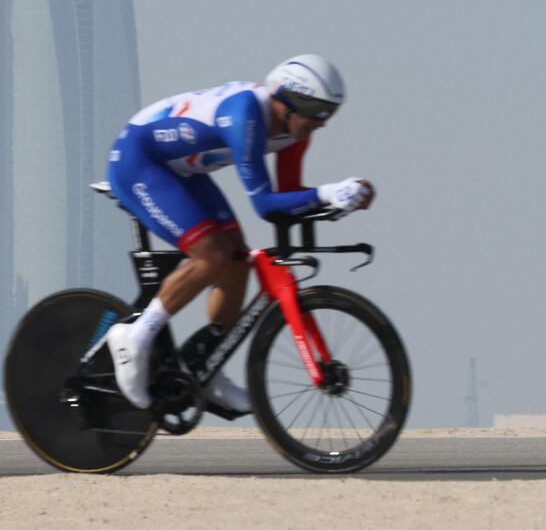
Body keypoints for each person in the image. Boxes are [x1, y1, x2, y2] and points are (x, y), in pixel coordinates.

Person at [105, 54, 374, 412]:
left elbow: (287, 196)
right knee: (211, 254)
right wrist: (327, 192)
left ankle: (206, 363)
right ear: (286, 99)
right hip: (138, 161)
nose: (320, 122)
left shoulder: (295, 133)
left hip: (183, 170)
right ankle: (133, 338)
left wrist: (343, 200)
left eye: (329, 112)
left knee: (236, 258)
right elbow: (265, 204)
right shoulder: (245, 113)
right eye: (315, 109)